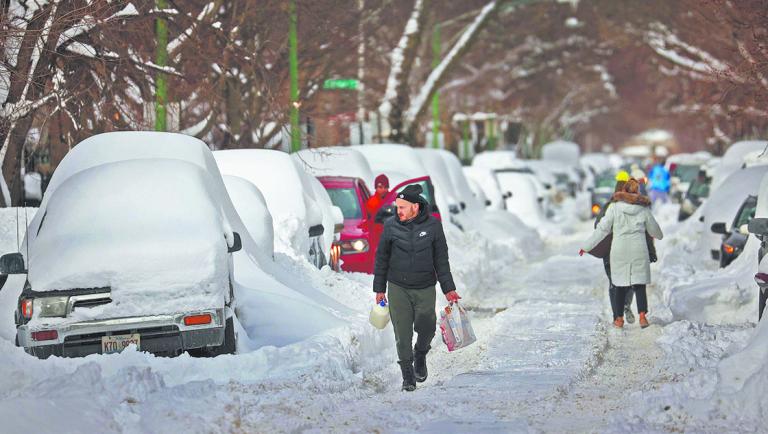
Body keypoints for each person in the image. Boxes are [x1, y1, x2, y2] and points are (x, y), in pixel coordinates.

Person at [373, 184, 460, 391]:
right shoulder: (391, 226)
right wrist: (379, 289)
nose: (398, 211)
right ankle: (407, 376)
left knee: (427, 326)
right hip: (398, 287)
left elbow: (441, 260)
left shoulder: (433, 226)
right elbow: (381, 258)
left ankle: (420, 354)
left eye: (402, 207)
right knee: (402, 334)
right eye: (397, 207)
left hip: (424, 287)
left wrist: (448, 288)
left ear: (415, 207)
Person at [580, 178, 663, 329]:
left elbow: (602, 229)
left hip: (619, 250)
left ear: (623, 191)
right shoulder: (644, 210)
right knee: (639, 285)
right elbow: (655, 231)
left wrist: (586, 246)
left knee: (619, 284)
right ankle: (643, 317)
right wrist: (659, 235)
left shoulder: (614, 208)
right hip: (638, 250)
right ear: (637, 192)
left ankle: (618, 319)